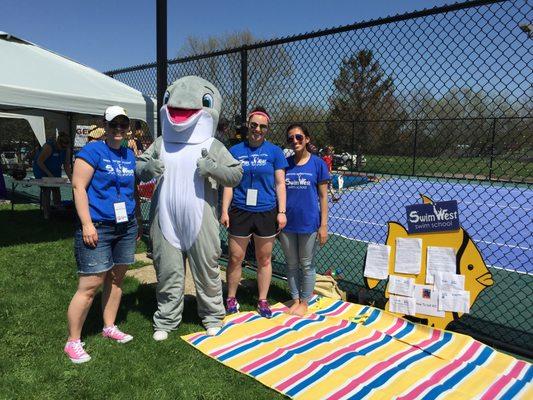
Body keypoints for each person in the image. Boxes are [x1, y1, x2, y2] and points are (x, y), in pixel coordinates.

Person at [64, 106, 140, 363]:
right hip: (98, 225)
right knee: (89, 285)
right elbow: (78, 187)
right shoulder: (92, 151)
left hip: (125, 225)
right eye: (113, 124)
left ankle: (109, 326)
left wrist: (135, 221)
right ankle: (73, 341)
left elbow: (132, 192)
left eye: (123, 124)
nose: (118, 129)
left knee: (117, 279)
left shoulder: (129, 155)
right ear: (104, 126)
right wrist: (87, 224)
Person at [221, 107, 288, 318]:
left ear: (267, 129)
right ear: (248, 126)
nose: (258, 129)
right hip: (240, 210)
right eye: (254, 125)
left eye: (262, 126)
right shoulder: (235, 151)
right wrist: (224, 210)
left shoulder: (275, 152)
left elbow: (280, 184)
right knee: (235, 257)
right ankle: (231, 298)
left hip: (266, 211)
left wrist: (282, 211)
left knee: (264, 258)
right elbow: (229, 184)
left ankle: (262, 299)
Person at [279, 124, 330, 316]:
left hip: (309, 223)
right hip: (287, 224)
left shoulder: (318, 164)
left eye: (299, 137)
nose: (295, 141)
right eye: (291, 138)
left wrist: (323, 225)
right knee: (291, 263)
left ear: (307, 139)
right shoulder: (285, 164)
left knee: (307, 264)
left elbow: (324, 197)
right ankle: (296, 299)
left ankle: (305, 301)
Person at [32, 131, 72, 217]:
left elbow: (66, 166)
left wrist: (72, 179)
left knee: (56, 189)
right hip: (41, 169)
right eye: (62, 146)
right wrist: (49, 175)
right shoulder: (49, 147)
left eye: (65, 147)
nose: (63, 148)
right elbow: (39, 162)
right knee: (46, 190)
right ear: (58, 142)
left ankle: (58, 210)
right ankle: (47, 214)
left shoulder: (66, 150)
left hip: (55, 170)